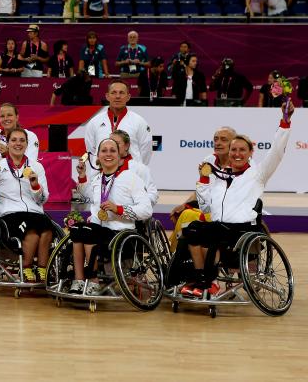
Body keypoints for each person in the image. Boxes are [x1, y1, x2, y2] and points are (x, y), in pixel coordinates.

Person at [180, 106, 293, 297]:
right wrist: (204, 180)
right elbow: (206, 205)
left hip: (243, 230)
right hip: (221, 226)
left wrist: (285, 122)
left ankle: (210, 281)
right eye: (234, 150)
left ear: (251, 152)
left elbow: (276, 152)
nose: (237, 153)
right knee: (190, 231)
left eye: (242, 150)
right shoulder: (220, 176)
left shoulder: (258, 174)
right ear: (229, 152)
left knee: (212, 236)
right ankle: (200, 278)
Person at [69, 138, 152, 294]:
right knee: (77, 230)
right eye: (104, 150)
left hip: (120, 233)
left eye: (112, 150)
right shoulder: (97, 179)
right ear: (98, 156)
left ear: (120, 155)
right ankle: (79, 280)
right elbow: (89, 196)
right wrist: (82, 176)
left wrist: (118, 209)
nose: (108, 154)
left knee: (87, 231)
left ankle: (93, 280)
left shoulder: (131, 178)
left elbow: (146, 210)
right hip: (97, 229)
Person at [0, 127, 52, 281]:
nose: (18, 144)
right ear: (7, 143)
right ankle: (26, 268)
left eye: (22, 140)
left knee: (47, 228)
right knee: (32, 231)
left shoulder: (36, 167)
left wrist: (35, 187)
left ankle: (42, 268)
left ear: (27, 144)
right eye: (14, 140)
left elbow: (43, 199)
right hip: (10, 214)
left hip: (35, 211)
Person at [84, 81, 153, 165]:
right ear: (107, 96)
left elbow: (146, 150)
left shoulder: (139, 122)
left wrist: (136, 171)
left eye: (121, 93)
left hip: (130, 175)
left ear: (128, 97)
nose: (117, 96)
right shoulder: (94, 122)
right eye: (113, 93)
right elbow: (91, 151)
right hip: (101, 175)